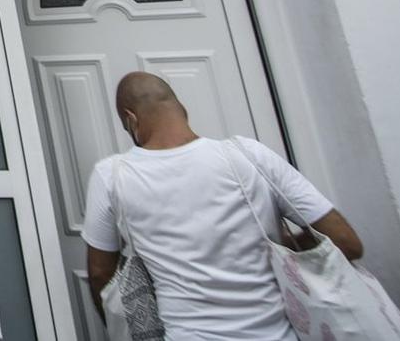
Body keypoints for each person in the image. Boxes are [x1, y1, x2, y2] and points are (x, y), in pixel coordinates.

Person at [83, 71, 363, 341]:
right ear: (182, 110)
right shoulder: (249, 155)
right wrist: (284, 245)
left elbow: (100, 275)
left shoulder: (112, 175)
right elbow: (345, 241)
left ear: (131, 120)